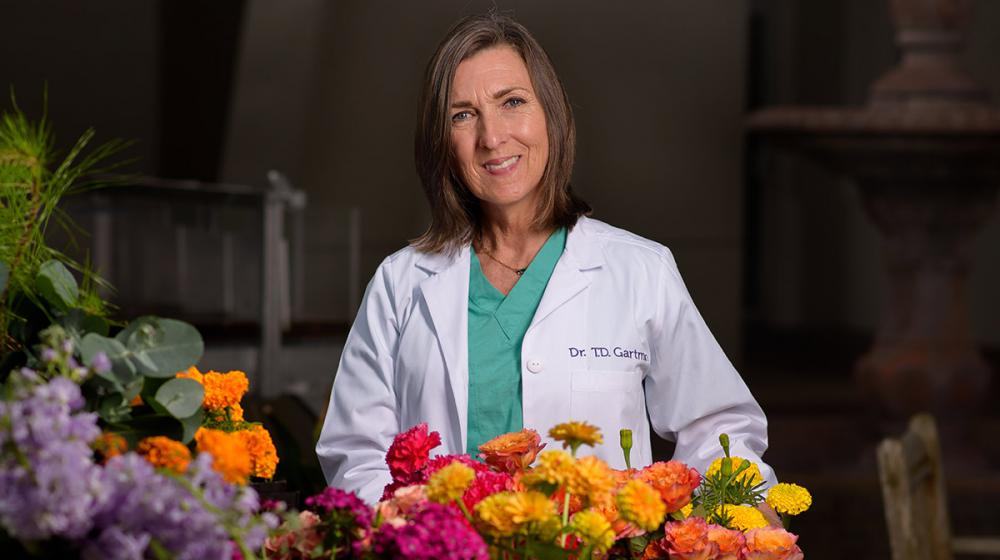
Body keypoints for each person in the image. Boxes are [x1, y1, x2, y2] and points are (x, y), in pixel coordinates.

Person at [316, 13, 776, 505]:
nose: (492, 137)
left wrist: (740, 522)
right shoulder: (400, 283)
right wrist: (410, 528)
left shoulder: (641, 271)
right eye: (462, 115)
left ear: (550, 114)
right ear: (441, 141)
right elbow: (356, 451)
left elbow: (718, 429)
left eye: (512, 102)